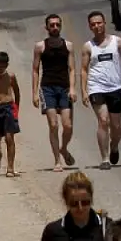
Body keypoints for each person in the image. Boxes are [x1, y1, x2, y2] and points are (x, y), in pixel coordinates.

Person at [80, 11, 121, 171]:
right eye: (93, 24)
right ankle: (104, 158)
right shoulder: (88, 47)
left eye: (99, 23)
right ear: (90, 27)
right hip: (96, 88)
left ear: (104, 23)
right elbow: (83, 69)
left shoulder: (117, 42)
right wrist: (84, 91)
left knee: (116, 126)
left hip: (115, 88)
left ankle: (114, 146)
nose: (96, 26)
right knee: (103, 121)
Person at [32, 13, 77, 172]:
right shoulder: (40, 47)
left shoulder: (68, 46)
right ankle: (57, 160)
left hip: (64, 88)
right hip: (47, 88)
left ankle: (63, 148)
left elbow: (72, 69)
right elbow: (35, 70)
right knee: (53, 125)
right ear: (47, 28)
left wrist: (72, 88)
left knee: (68, 125)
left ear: (61, 26)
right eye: (52, 25)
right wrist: (35, 93)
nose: (55, 27)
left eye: (57, 24)